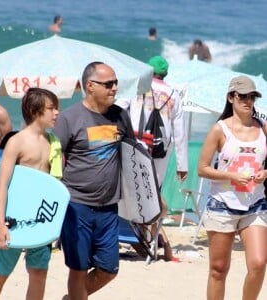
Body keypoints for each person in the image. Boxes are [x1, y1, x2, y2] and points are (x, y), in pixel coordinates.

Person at [54, 61, 135, 300]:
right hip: (76, 205)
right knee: (78, 268)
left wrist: (149, 194)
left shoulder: (120, 115)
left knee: (109, 269)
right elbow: (53, 158)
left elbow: (132, 155)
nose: (114, 89)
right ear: (90, 86)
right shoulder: (69, 118)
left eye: (116, 83)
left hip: (109, 207)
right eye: (108, 84)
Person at [0, 88, 61, 300]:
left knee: (39, 272)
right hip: (13, 218)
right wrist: (0, 224)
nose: (56, 113)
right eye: (52, 108)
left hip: (40, 218)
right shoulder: (17, 141)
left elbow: (54, 186)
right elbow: (2, 184)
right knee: (0, 273)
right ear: (35, 110)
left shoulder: (53, 142)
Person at [198, 75, 267, 300]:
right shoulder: (220, 130)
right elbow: (202, 168)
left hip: (255, 204)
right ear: (231, 98)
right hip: (222, 205)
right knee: (219, 269)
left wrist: (266, 173)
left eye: (252, 97)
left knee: (258, 264)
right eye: (243, 96)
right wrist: (231, 175)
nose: (248, 101)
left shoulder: (263, 127)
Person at [115, 55, 188, 261]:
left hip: (134, 144)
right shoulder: (174, 94)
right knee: (152, 192)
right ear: (165, 74)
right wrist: (183, 165)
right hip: (159, 151)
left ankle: (134, 234)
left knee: (128, 188)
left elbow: (119, 109)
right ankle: (149, 237)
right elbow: (180, 132)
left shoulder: (137, 86)